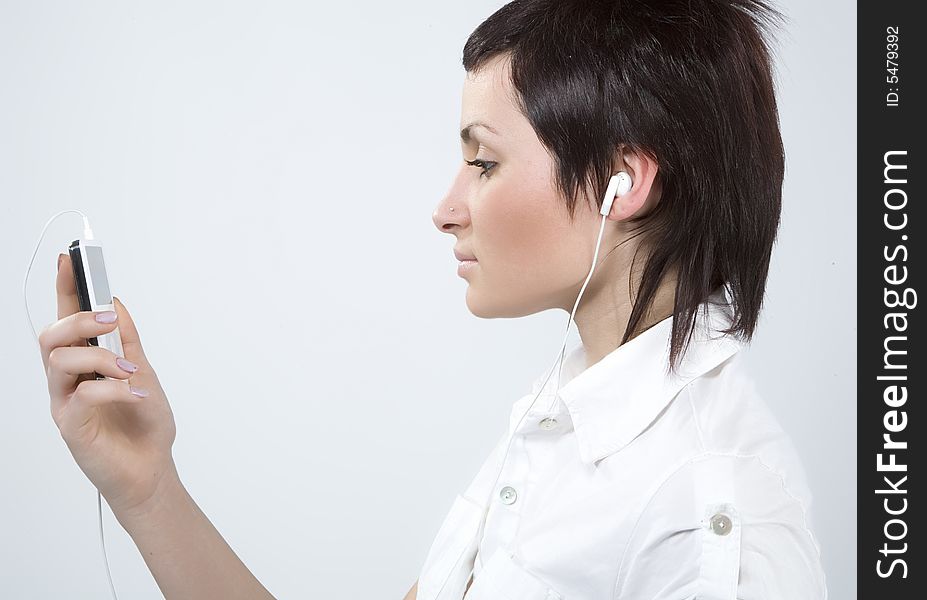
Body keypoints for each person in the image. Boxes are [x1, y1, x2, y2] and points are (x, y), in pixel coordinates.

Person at [37, 1, 827, 599]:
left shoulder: (710, 505)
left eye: (482, 162)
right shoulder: (557, 419)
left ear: (625, 182)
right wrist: (147, 486)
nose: (446, 208)